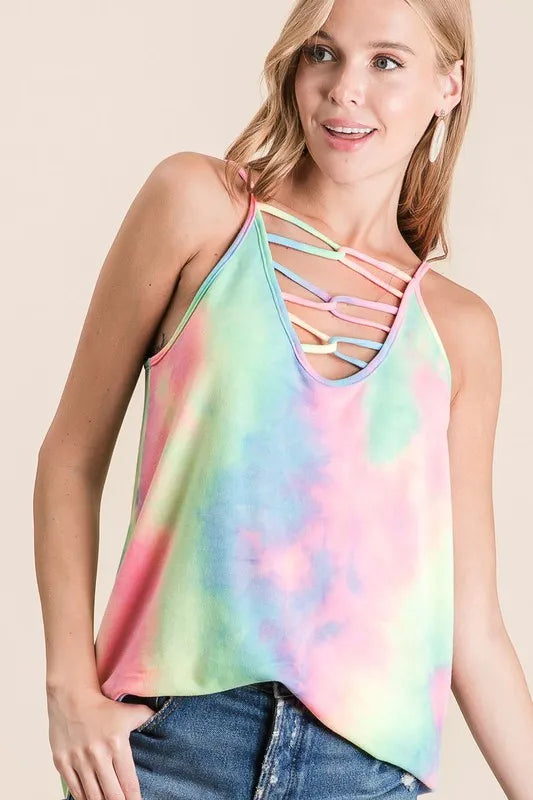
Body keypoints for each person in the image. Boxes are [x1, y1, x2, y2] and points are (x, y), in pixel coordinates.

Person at [34, 0, 533, 798]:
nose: (343, 88)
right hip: (167, 751)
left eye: (385, 62)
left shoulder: (459, 331)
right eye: (321, 54)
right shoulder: (200, 208)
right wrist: (68, 689)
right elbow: (71, 455)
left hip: (361, 772)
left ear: (448, 85)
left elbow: (471, 627)